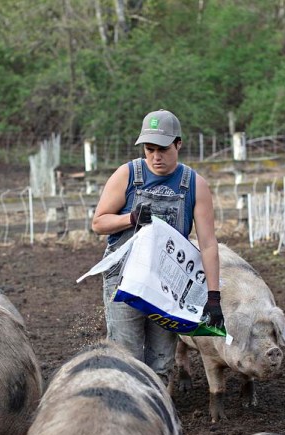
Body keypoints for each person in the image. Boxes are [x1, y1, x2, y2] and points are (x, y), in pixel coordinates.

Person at [91, 108, 224, 385]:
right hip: (124, 280)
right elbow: (99, 222)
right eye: (149, 149)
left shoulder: (194, 185)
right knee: (126, 355)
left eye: (162, 149)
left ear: (178, 144)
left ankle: (156, 406)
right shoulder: (127, 175)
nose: (155, 157)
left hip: (167, 284)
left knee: (162, 359)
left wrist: (213, 297)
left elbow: (209, 245)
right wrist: (130, 218)